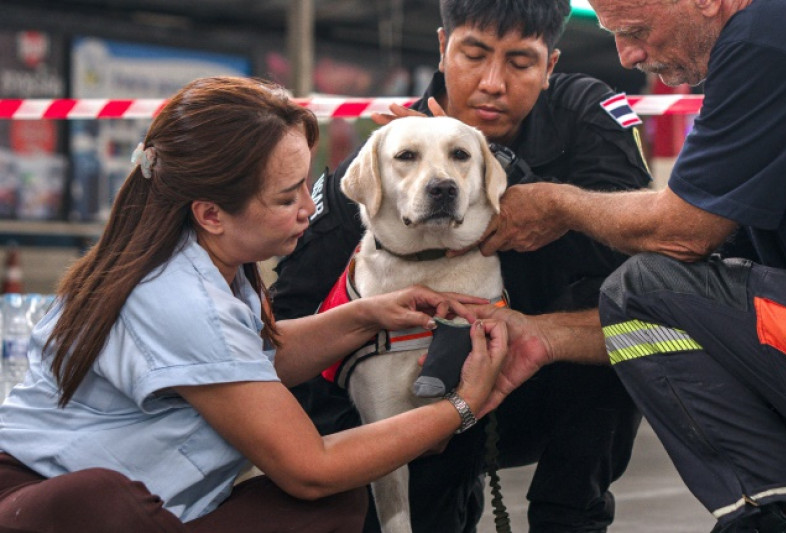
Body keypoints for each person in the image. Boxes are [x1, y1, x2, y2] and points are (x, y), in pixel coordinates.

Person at [469, 0, 786, 532]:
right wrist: (543, 335)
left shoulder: (774, 34)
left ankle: (773, 516)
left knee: (641, 287)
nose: (627, 56)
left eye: (635, 31)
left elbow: (678, 234)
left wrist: (558, 204)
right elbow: (708, 278)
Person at [0, 76, 508, 533]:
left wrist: (367, 314)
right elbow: (311, 468)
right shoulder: (175, 295)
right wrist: (459, 407)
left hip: (163, 505)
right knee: (101, 501)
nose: (310, 209)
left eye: (306, 187)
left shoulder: (215, 265)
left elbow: (248, 367)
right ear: (212, 214)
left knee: (332, 504)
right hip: (46, 500)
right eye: (287, 199)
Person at [269, 1, 653, 530]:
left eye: (520, 63)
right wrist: (357, 444)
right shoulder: (386, 154)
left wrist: (532, 193)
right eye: (474, 54)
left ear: (550, 67)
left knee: (631, 301)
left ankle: (571, 517)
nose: (492, 82)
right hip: (413, 412)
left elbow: (635, 254)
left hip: (544, 384)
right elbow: (289, 319)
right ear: (444, 47)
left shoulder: (584, 115)